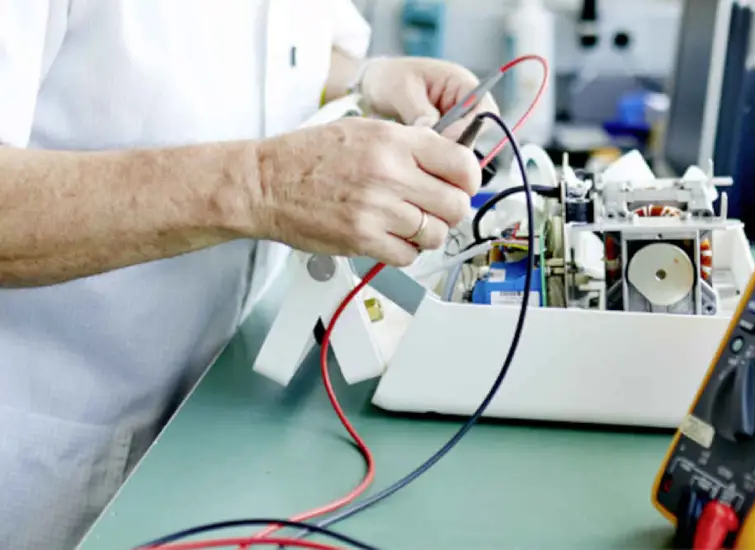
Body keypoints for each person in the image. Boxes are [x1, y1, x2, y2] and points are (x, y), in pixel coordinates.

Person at [0, 2, 497, 549]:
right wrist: (262, 184)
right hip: (47, 452)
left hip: (216, 418)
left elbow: (288, 54)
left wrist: (371, 78)